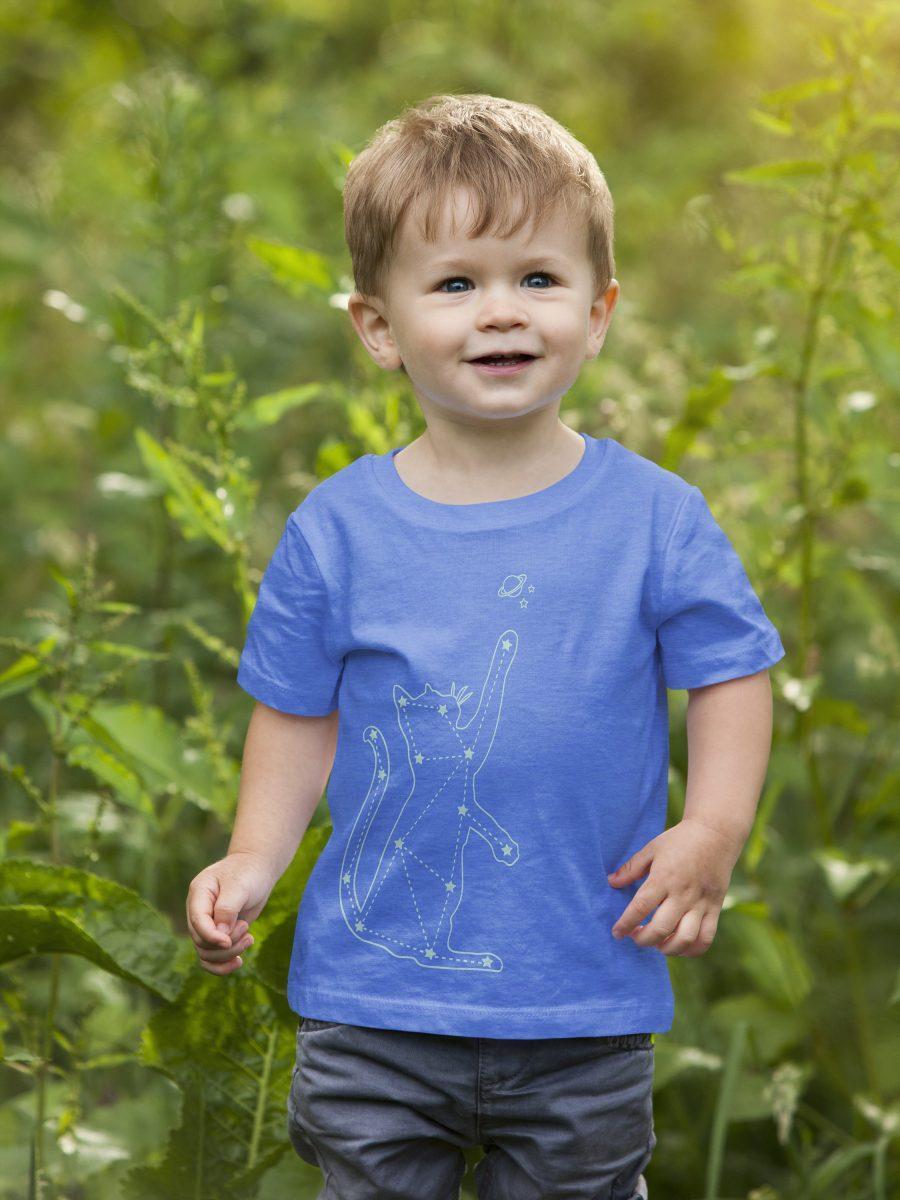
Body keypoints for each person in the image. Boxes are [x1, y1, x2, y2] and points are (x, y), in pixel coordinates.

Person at [186, 93, 785, 1200]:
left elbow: (729, 674)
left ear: (599, 311)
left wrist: (713, 827)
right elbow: (298, 711)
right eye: (456, 283)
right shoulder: (340, 528)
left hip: (580, 995)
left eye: (538, 280)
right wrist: (255, 857)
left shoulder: (654, 519)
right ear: (378, 326)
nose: (500, 312)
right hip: (376, 1003)